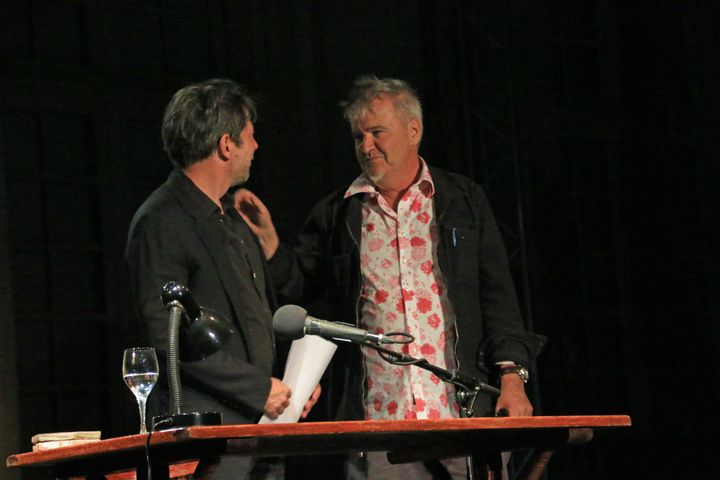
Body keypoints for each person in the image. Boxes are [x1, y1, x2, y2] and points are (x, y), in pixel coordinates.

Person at [235, 76, 545, 479]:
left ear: (413, 130)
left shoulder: (461, 201)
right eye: (358, 137)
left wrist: (512, 379)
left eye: (377, 132)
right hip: (380, 427)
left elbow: (498, 298)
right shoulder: (338, 214)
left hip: (463, 418)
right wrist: (271, 243)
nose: (366, 146)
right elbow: (298, 289)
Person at [125, 78, 319, 480]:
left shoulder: (231, 220)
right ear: (226, 145)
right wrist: (258, 387)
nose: (257, 146)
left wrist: (290, 383)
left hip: (260, 429)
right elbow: (167, 334)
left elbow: (258, 316)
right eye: (250, 136)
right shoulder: (161, 221)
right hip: (208, 436)